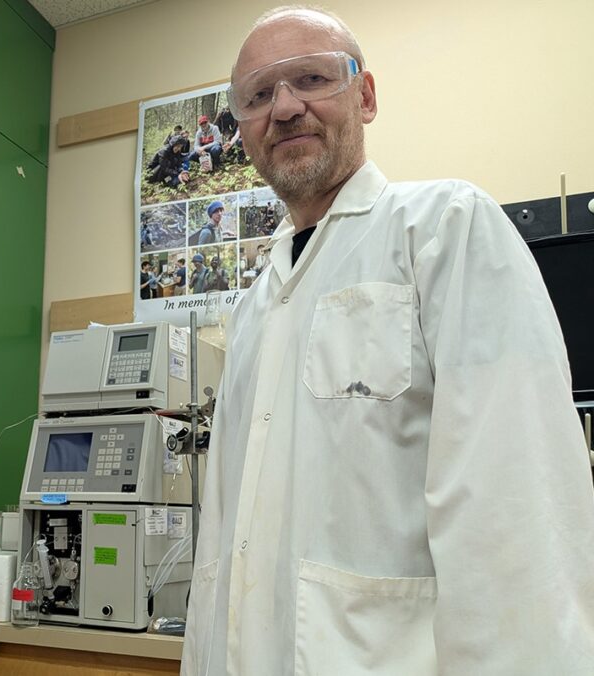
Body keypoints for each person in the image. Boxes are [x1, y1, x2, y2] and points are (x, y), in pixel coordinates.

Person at [182, 6, 594, 676]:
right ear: (243, 128)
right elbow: (222, 550)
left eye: (311, 78)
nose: (285, 108)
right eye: (259, 95)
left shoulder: (444, 229)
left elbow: (516, 522)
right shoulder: (255, 305)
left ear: (364, 96)